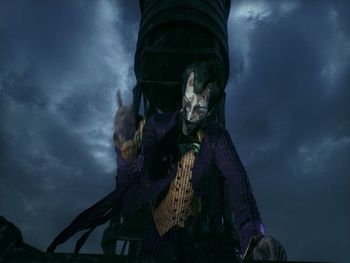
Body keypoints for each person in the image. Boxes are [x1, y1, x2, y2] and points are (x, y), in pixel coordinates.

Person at [48, 60, 286, 261]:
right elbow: (132, 182)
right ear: (183, 91)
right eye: (188, 101)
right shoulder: (156, 126)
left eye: (200, 108)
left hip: (194, 227)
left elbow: (239, 184)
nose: (191, 113)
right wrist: (126, 155)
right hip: (155, 220)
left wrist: (255, 236)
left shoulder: (216, 138)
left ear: (211, 110)